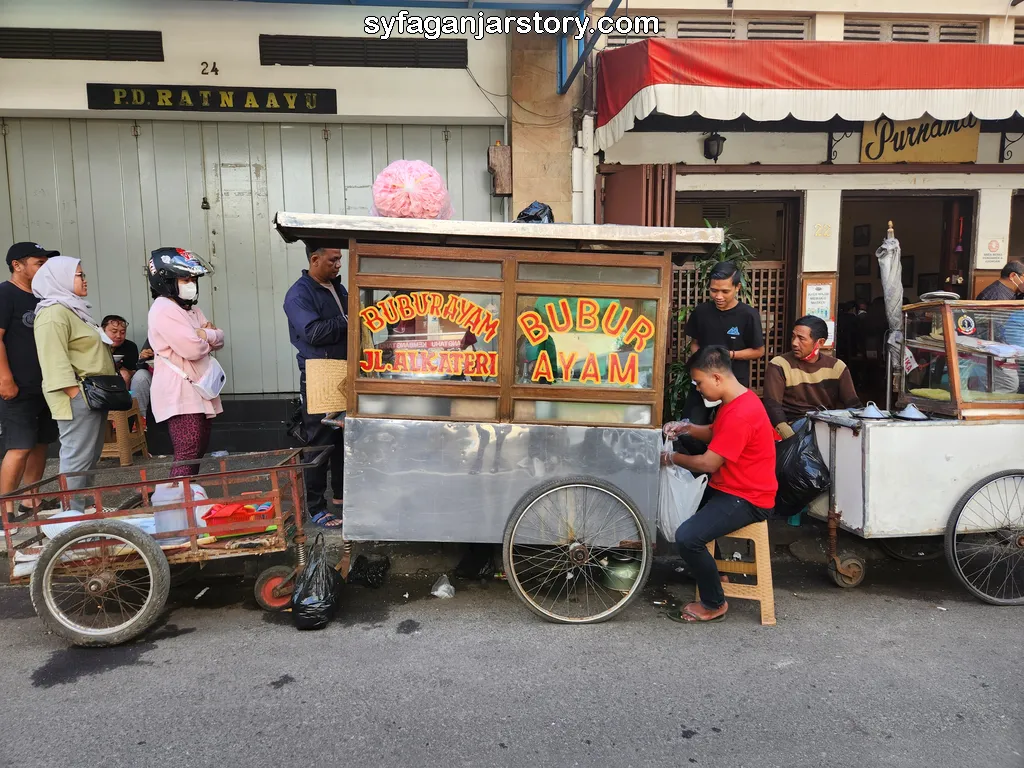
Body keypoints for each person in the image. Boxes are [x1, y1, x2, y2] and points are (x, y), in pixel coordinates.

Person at [661, 345, 778, 624]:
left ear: (716, 378)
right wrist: (686, 427)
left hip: (748, 498)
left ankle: (714, 603)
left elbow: (707, 464)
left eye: (699, 382)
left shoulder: (741, 413)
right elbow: (714, 432)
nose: (698, 389)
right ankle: (715, 571)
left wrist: (670, 457)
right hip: (730, 486)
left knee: (687, 537)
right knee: (687, 511)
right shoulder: (737, 400)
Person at [32, 256, 116, 511]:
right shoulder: (52, 313)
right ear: (61, 279)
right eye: (79, 275)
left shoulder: (73, 309)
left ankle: (82, 507)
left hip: (92, 394)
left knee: (89, 455)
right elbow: (52, 358)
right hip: (78, 395)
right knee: (77, 456)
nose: (85, 279)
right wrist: (74, 393)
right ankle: (71, 515)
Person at [283, 243, 348, 529]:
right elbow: (313, 332)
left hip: (344, 372)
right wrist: (348, 318)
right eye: (333, 260)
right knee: (320, 442)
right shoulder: (298, 294)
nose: (338, 265)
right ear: (314, 259)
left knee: (344, 440)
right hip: (319, 373)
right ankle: (316, 507)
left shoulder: (337, 287)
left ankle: (343, 498)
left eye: (340, 260)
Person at [146, 248, 225, 479]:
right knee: (188, 453)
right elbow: (192, 349)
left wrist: (205, 335)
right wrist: (206, 336)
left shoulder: (191, 309)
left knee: (197, 452)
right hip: (180, 392)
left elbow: (219, 337)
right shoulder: (163, 309)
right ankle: (177, 505)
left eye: (193, 280)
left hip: (198, 391)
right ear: (166, 281)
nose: (191, 284)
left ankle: (187, 501)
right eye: (185, 279)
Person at [0, 242, 61, 517]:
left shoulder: (42, 296)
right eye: (39, 263)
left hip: (46, 385)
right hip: (18, 387)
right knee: (19, 447)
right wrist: (5, 379)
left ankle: (30, 500)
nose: (44, 268)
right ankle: (5, 508)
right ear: (17, 265)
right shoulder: (5, 293)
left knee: (40, 444)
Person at [680, 262, 764, 451]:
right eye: (713, 290)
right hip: (702, 383)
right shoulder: (701, 312)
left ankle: (717, 468)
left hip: (734, 385)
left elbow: (758, 351)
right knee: (688, 430)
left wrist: (728, 355)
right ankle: (702, 468)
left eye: (725, 291)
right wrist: (701, 361)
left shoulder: (748, 315)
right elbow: (695, 342)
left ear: (737, 287)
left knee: (728, 432)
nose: (718, 296)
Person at [762, 315, 862, 439]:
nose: (794, 343)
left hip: (826, 425)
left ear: (820, 342)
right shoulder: (779, 364)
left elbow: (852, 403)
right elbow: (772, 405)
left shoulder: (837, 367)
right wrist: (790, 438)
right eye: (793, 337)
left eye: (801, 339)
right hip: (793, 426)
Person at [101, 314, 153, 423]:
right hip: (99, 384)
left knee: (133, 375)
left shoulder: (129, 346)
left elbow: (135, 371)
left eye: (122, 332)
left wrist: (122, 367)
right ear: (102, 331)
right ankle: (116, 420)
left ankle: (137, 418)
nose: (119, 336)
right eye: (114, 332)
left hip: (127, 386)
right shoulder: (95, 345)